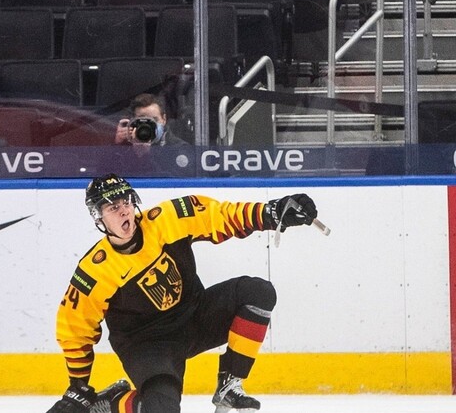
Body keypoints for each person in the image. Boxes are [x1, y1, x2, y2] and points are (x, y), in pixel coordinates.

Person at [48, 174, 319, 413]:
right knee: (162, 409)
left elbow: (220, 215)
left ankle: (229, 384)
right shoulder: (95, 270)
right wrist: (79, 386)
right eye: (112, 207)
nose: (123, 212)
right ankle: (110, 404)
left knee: (258, 292)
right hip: (147, 345)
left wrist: (271, 212)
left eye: (126, 202)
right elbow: (73, 327)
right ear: (98, 217)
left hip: (195, 316)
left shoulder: (168, 219)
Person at [114, 94, 188, 146]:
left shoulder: (178, 148)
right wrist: (118, 144)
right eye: (142, 121)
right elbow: (109, 167)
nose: (148, 126)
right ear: (133, 121)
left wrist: (144, 155)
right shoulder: (128, 146)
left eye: (154, 120)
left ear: (164, 119)